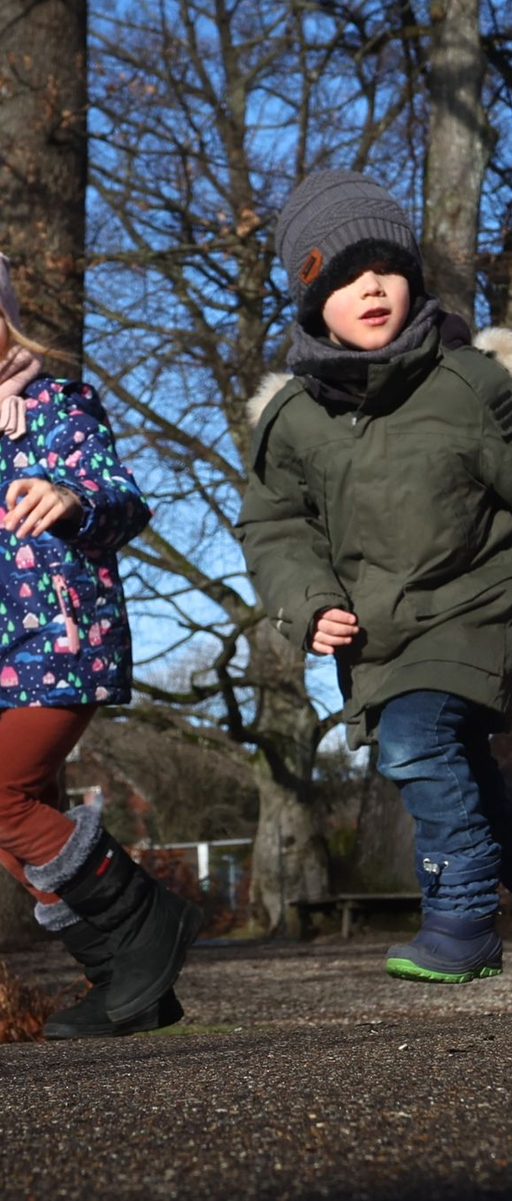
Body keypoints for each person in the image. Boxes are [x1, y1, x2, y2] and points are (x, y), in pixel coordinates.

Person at [236, 171, 512, 1011]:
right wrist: (305, 601)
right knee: (472, 792)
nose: (372, 286)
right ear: (310, 296)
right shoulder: (291, 421)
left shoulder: (467, 384)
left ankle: (463, 916)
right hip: (376, 636)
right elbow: (274, 528)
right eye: (344, 275)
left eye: (389, 268)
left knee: (416, 746)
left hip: (471, 613)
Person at [0, 252, 200, 1038]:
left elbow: (122, 499)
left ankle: (148, 921)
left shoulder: (52, 404)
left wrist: (69, 496)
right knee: (23, 811)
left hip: (58, 637)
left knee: (6, 794)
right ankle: (126, 979)